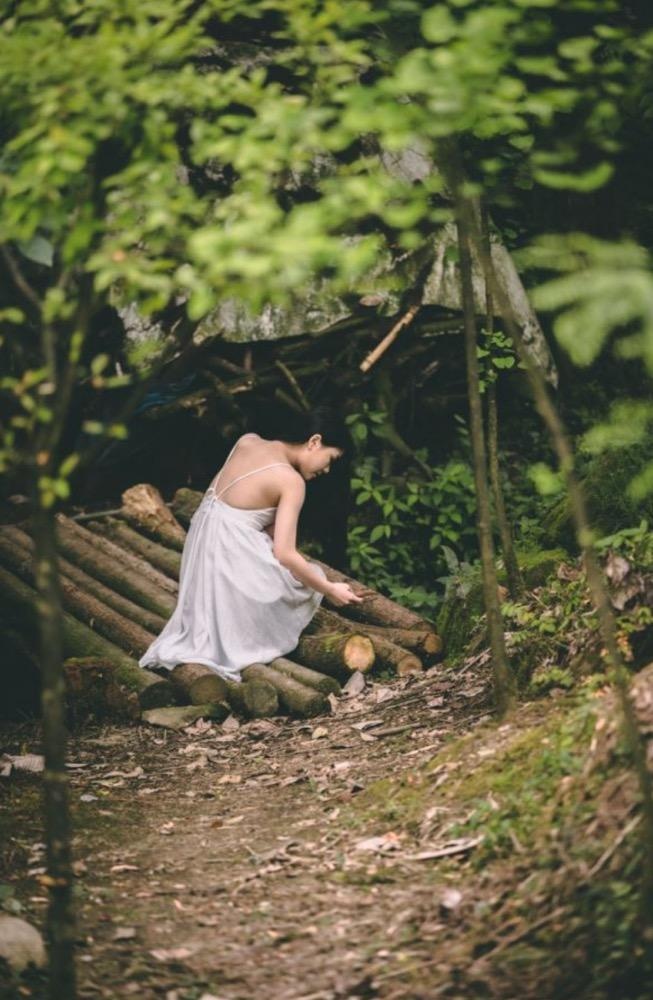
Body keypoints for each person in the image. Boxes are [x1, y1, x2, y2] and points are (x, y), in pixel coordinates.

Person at [138, 407, 363, 682]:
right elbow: (285, 553)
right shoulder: (291, 481)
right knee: (306, 580)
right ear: (314, 442)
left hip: (201, 544)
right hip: (230, 551)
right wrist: (329, 589)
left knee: (296, 572)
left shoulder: (248, 441)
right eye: (330, 459)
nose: (326, 470)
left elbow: (244, 507)